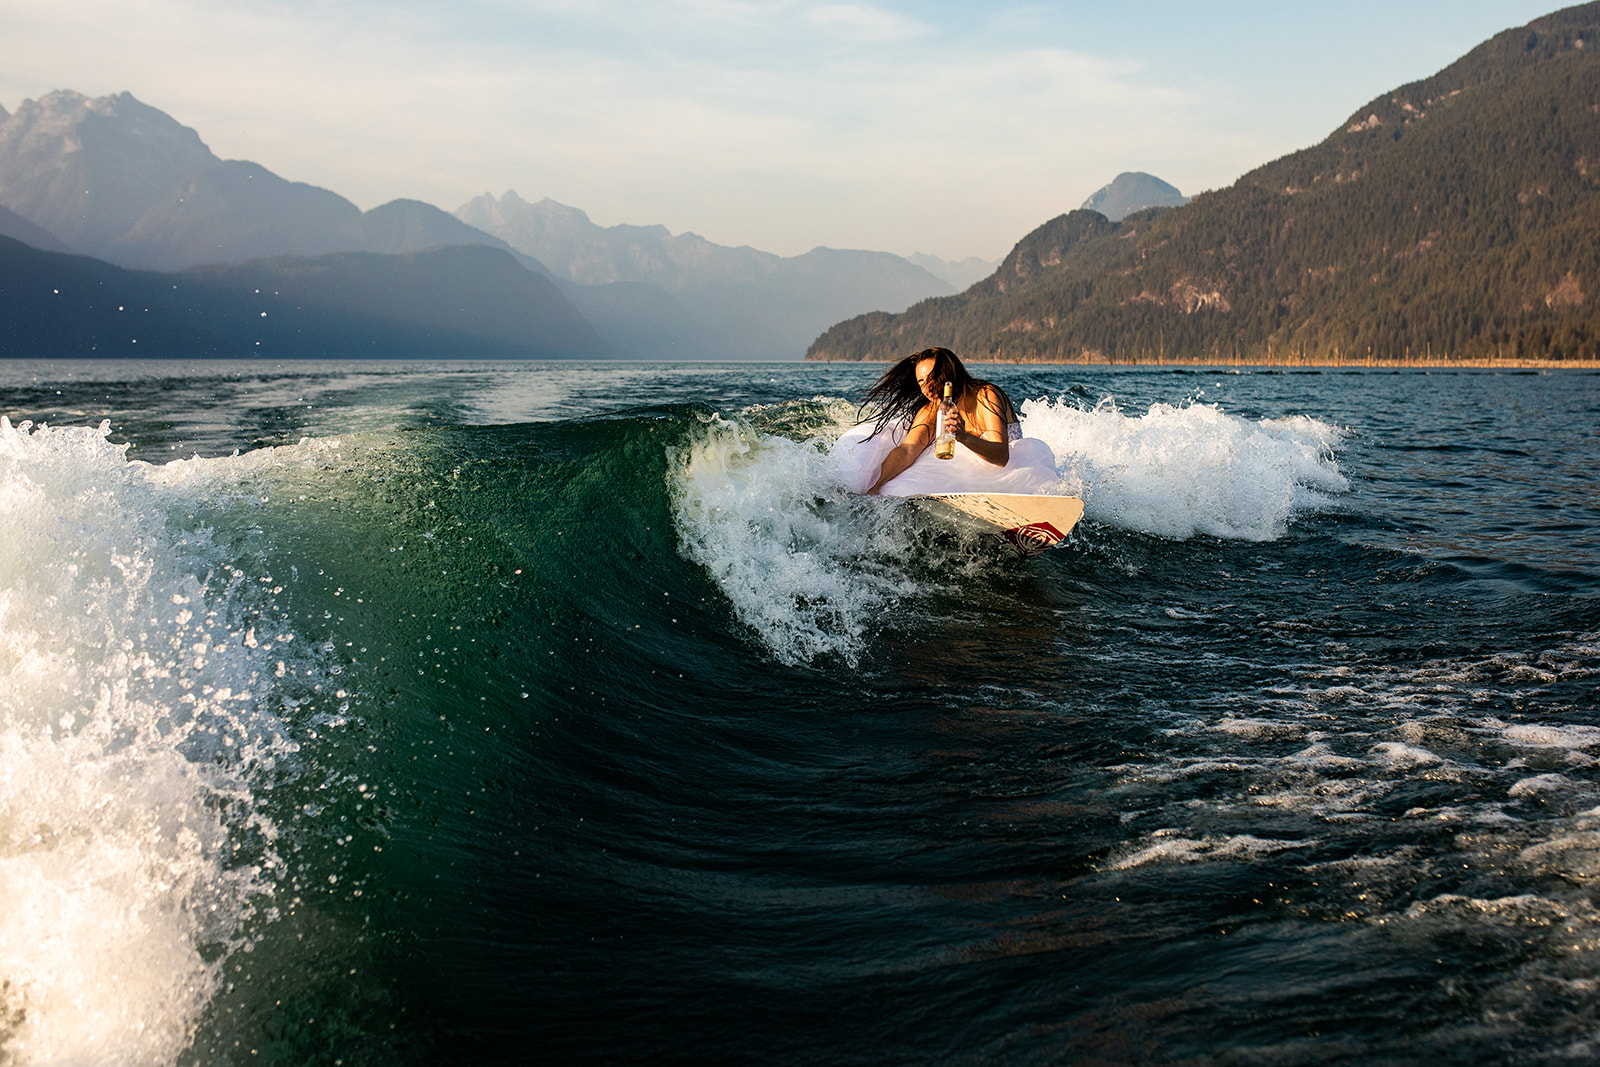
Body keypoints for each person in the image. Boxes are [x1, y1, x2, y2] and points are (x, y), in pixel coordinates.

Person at [834, 347, 1059, 497]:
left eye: (932, 379)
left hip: (1012, 472)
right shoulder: (933, 408)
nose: (927, 388)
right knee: (896, 489)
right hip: (961, 479)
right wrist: (875, 487)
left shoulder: (986, 395)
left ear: (951, 373)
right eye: (921, 382)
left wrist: (964, 437)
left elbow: (1001, 456)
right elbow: (907, 450)